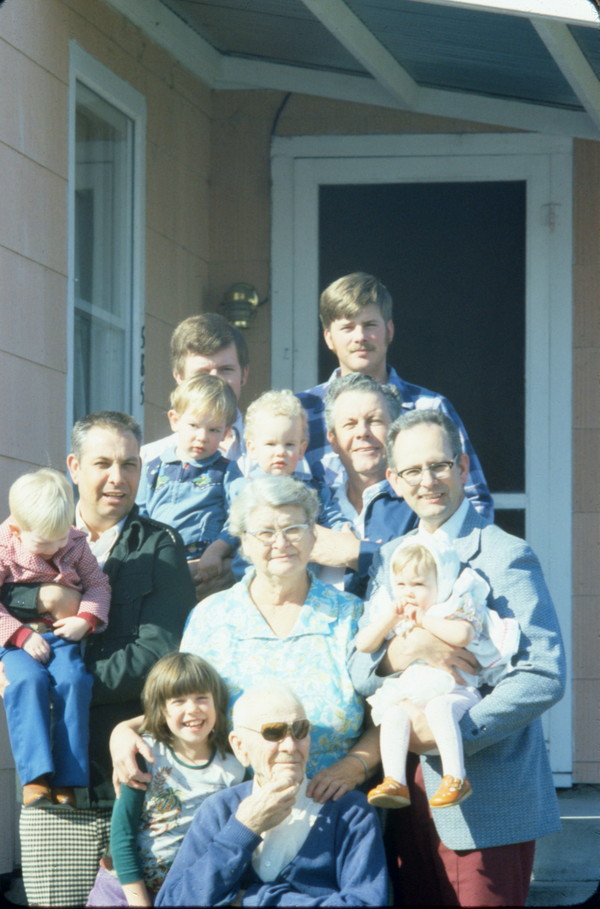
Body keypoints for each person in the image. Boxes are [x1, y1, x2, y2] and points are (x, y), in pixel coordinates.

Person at [350, 408, 565, 907]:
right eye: (411, 471)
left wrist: (452, 734)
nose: (427, 481)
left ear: (463, 468)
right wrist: (409, 649)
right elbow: (360, 670)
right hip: (405, 798)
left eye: (439, 465)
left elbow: (543, 674)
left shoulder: (504, 554)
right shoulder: (393, 559)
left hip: (488, 798)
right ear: (393, 482)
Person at [1, 411, 196, 907]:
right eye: (103, 463)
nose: (118, 477)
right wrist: (40, 603)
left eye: (130, 464)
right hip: (50, 774)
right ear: (74, 466)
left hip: (131, 772)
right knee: (55, 899)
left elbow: (160, 654)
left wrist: (67, 683)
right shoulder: (24, 532)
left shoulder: (159, 544)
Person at [111, 476, 380, 806]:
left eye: (293, 528)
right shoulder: (212, 617)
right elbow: (183, 705)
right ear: (245, 544)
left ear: (313, 534)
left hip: (334, 812)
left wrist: (353, 768)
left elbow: (388, 716)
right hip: (231, 813)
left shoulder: (351, 616)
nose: (281, 543)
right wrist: (125, 729)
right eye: (265, 533)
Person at [155, 683, 389, 907]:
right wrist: (242, 830)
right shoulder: (220, 809)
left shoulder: (350, 811)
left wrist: (255, 900)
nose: (290, 746)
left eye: (300, 730)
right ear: (239, 746)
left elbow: (367, 902)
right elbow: (171, 902)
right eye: (273, 733)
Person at [297, 272, 493, 520]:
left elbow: (475, 501)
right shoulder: (301, 413)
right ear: (329, 338)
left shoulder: (431, 408)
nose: (359, 337)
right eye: (347, 327)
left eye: (370, 325)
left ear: (389, 330)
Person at [360, 533, 519, 811]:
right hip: (412, 695)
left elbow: (463, 634)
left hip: (456, 691)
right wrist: (389, 618)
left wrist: (423, 620)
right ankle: (394, 780)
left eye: (419, 584)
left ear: (441, 584)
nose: (408, 592)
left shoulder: (451, 607)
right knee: (393, 713)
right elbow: (364, 645)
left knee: (439, 708)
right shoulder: (396, 613)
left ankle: (456, 778)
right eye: (401, 584)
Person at [87, 652, 244, 907]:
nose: (192, 709)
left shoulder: (233, 766)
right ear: (161, 711)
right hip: (123, 890)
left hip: (188, 892)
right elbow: (121, 837)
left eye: (202, 698)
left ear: (217, 703)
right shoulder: (146, 754)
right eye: (178, 701)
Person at [0, 468, 111, 808]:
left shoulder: (75, 544)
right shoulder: (5, 547)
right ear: (18, 530)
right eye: (44, 543)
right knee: (26, 682)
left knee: (74, 681)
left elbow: (97, 585)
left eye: (59, 538)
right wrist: (17, 634)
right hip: (17, 638)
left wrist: (85, 619)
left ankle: (69, 779)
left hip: (64, 634)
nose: (54, 549)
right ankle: (36, 777)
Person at [311, 372, 415, 594]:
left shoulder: (418, 502)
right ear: (333, 440)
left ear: (395, 432)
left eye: (374, 421)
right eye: (349, 424)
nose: (362, 433)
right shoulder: (315, 505)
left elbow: (436, 570)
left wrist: (358, 554)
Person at [137, 374, 242, 582]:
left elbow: (242, 514)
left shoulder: (226, 471)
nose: (202, 436)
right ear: (175, 420)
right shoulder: (153, 469)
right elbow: (139, 516)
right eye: (194, 425)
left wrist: (218, 549)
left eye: (213, 429)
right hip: (158, 564)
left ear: (226, 432)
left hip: (205, 564)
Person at [141, 312, 249, 465]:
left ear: (244, 375)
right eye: (201, 373)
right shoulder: (147, 461)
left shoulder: (280, 458)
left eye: (226, 369)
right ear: (179, 378)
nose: (215, 381)